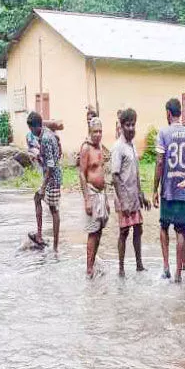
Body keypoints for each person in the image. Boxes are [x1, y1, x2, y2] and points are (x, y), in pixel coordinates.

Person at [153, 98, 185, 283]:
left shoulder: (163, 133)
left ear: (168, 113)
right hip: (183, 188)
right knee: (180, 231)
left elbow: (160, 162)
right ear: (180, 113)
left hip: (168, 188)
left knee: (164, 226)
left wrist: (154, 189)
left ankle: (166, 268)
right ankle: (179, 274)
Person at [111, 108, 150, 277]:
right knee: (124, 232)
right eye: (128, 125)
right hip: (124, 198)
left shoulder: (132, 146)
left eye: (133, 124)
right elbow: (115, 176)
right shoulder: (118, 147)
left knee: (138, 229)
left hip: (134, 196)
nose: (131, 128)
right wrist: (124, 201)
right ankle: (121, 268)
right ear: (121, 126)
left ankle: (139, 265)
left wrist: (142, 195)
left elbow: (136, 172)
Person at [27, 112, 62, 252]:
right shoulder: (45, 133)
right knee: (37, 199)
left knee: (54, 210)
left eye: (30, 128)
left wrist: (43, 187)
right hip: (50, 176)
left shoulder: (46, 138)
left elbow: (51, 166)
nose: (30, 131)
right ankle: (40, 236)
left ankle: (55, 247)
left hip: (53, 178)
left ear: (35, 127)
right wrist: (38, 157)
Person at [79, 117, 109, 278]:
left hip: (101, 193)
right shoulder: (86, 148)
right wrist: (87, 199)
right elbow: (82, 174)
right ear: (90, 132)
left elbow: (102, 170)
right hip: (91, 192)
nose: (98, 134)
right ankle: (89, 268)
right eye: (95, 131)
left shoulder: (100, 148)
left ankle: (93, 261)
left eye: (100, 131)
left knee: (99, 230)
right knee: (92, 231)